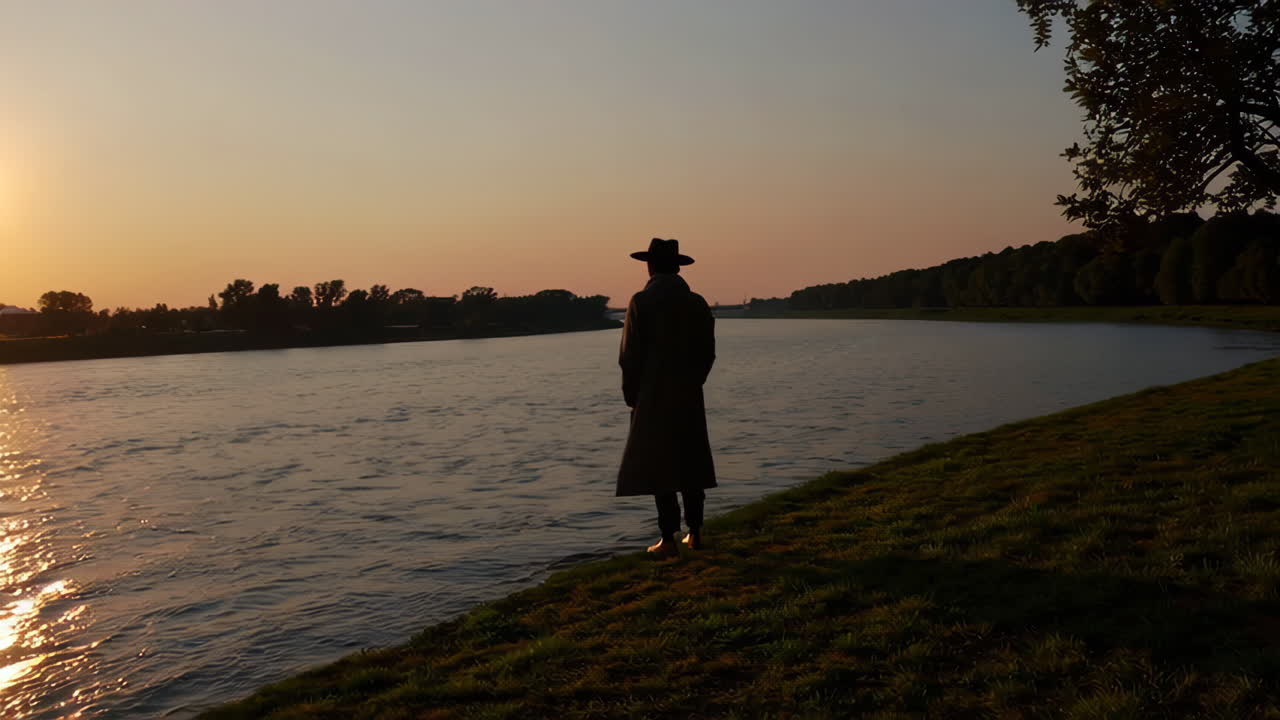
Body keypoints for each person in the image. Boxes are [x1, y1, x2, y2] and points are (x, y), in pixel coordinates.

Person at [616, 238, 717, 558]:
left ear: (650, 266)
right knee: (691, 460)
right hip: (689, 392)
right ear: (677, 267)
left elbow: (629, 355)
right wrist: (694, 382)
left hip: (653, 393)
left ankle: (668, 538)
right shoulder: (697, 302)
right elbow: (708, 353)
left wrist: (633, 395)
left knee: (659, 463)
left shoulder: (641, 301)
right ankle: (696, 532)